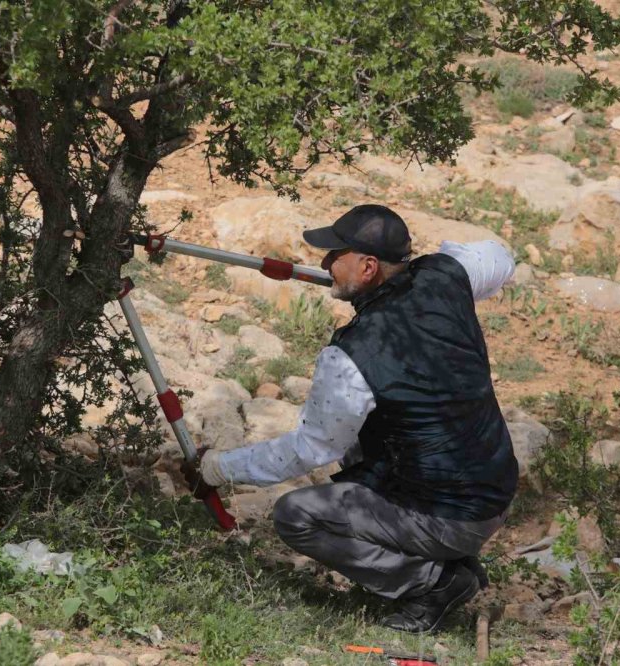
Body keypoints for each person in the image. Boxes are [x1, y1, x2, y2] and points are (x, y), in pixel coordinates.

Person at [183, 204, 518, 633]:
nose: (324, 264)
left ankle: (435, 582)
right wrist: (436, 265)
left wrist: (216, 470)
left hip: (452, 515)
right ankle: (443, 550)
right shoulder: (448, 274)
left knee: (297, 515)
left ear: (368, 266)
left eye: (334, 255)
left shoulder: (354, 354)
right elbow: (499, 256)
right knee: (363, 437)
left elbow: (310, 450)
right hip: (494, 492)